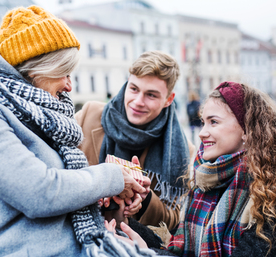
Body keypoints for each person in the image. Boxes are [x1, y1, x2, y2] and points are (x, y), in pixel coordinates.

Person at [0, 6, 219, 257]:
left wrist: (118, 193)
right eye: (64, 73)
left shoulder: (37, 115)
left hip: (78, 247)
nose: (70, 85)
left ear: (168, 100)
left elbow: (64, 184)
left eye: (151, 94)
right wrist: (113, 177)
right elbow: (40, 192)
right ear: (38, 69)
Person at [107, 81, 276, 257]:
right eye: (203, 122)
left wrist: (148, 255)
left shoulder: (275, 190)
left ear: (247, 129)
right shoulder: (206, 178)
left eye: (213, 122)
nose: (202, 133)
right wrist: (120, 214)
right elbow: (179, 251)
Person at [76, 51, 195, 230]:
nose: (138, 101)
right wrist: (99, 186)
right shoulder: (89, 115)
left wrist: (146, 198)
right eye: (134, 89)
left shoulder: (183, 149)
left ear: (168, 100)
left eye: (151, 95)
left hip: (129, 245)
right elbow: (59, 172)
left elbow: (173, 222)